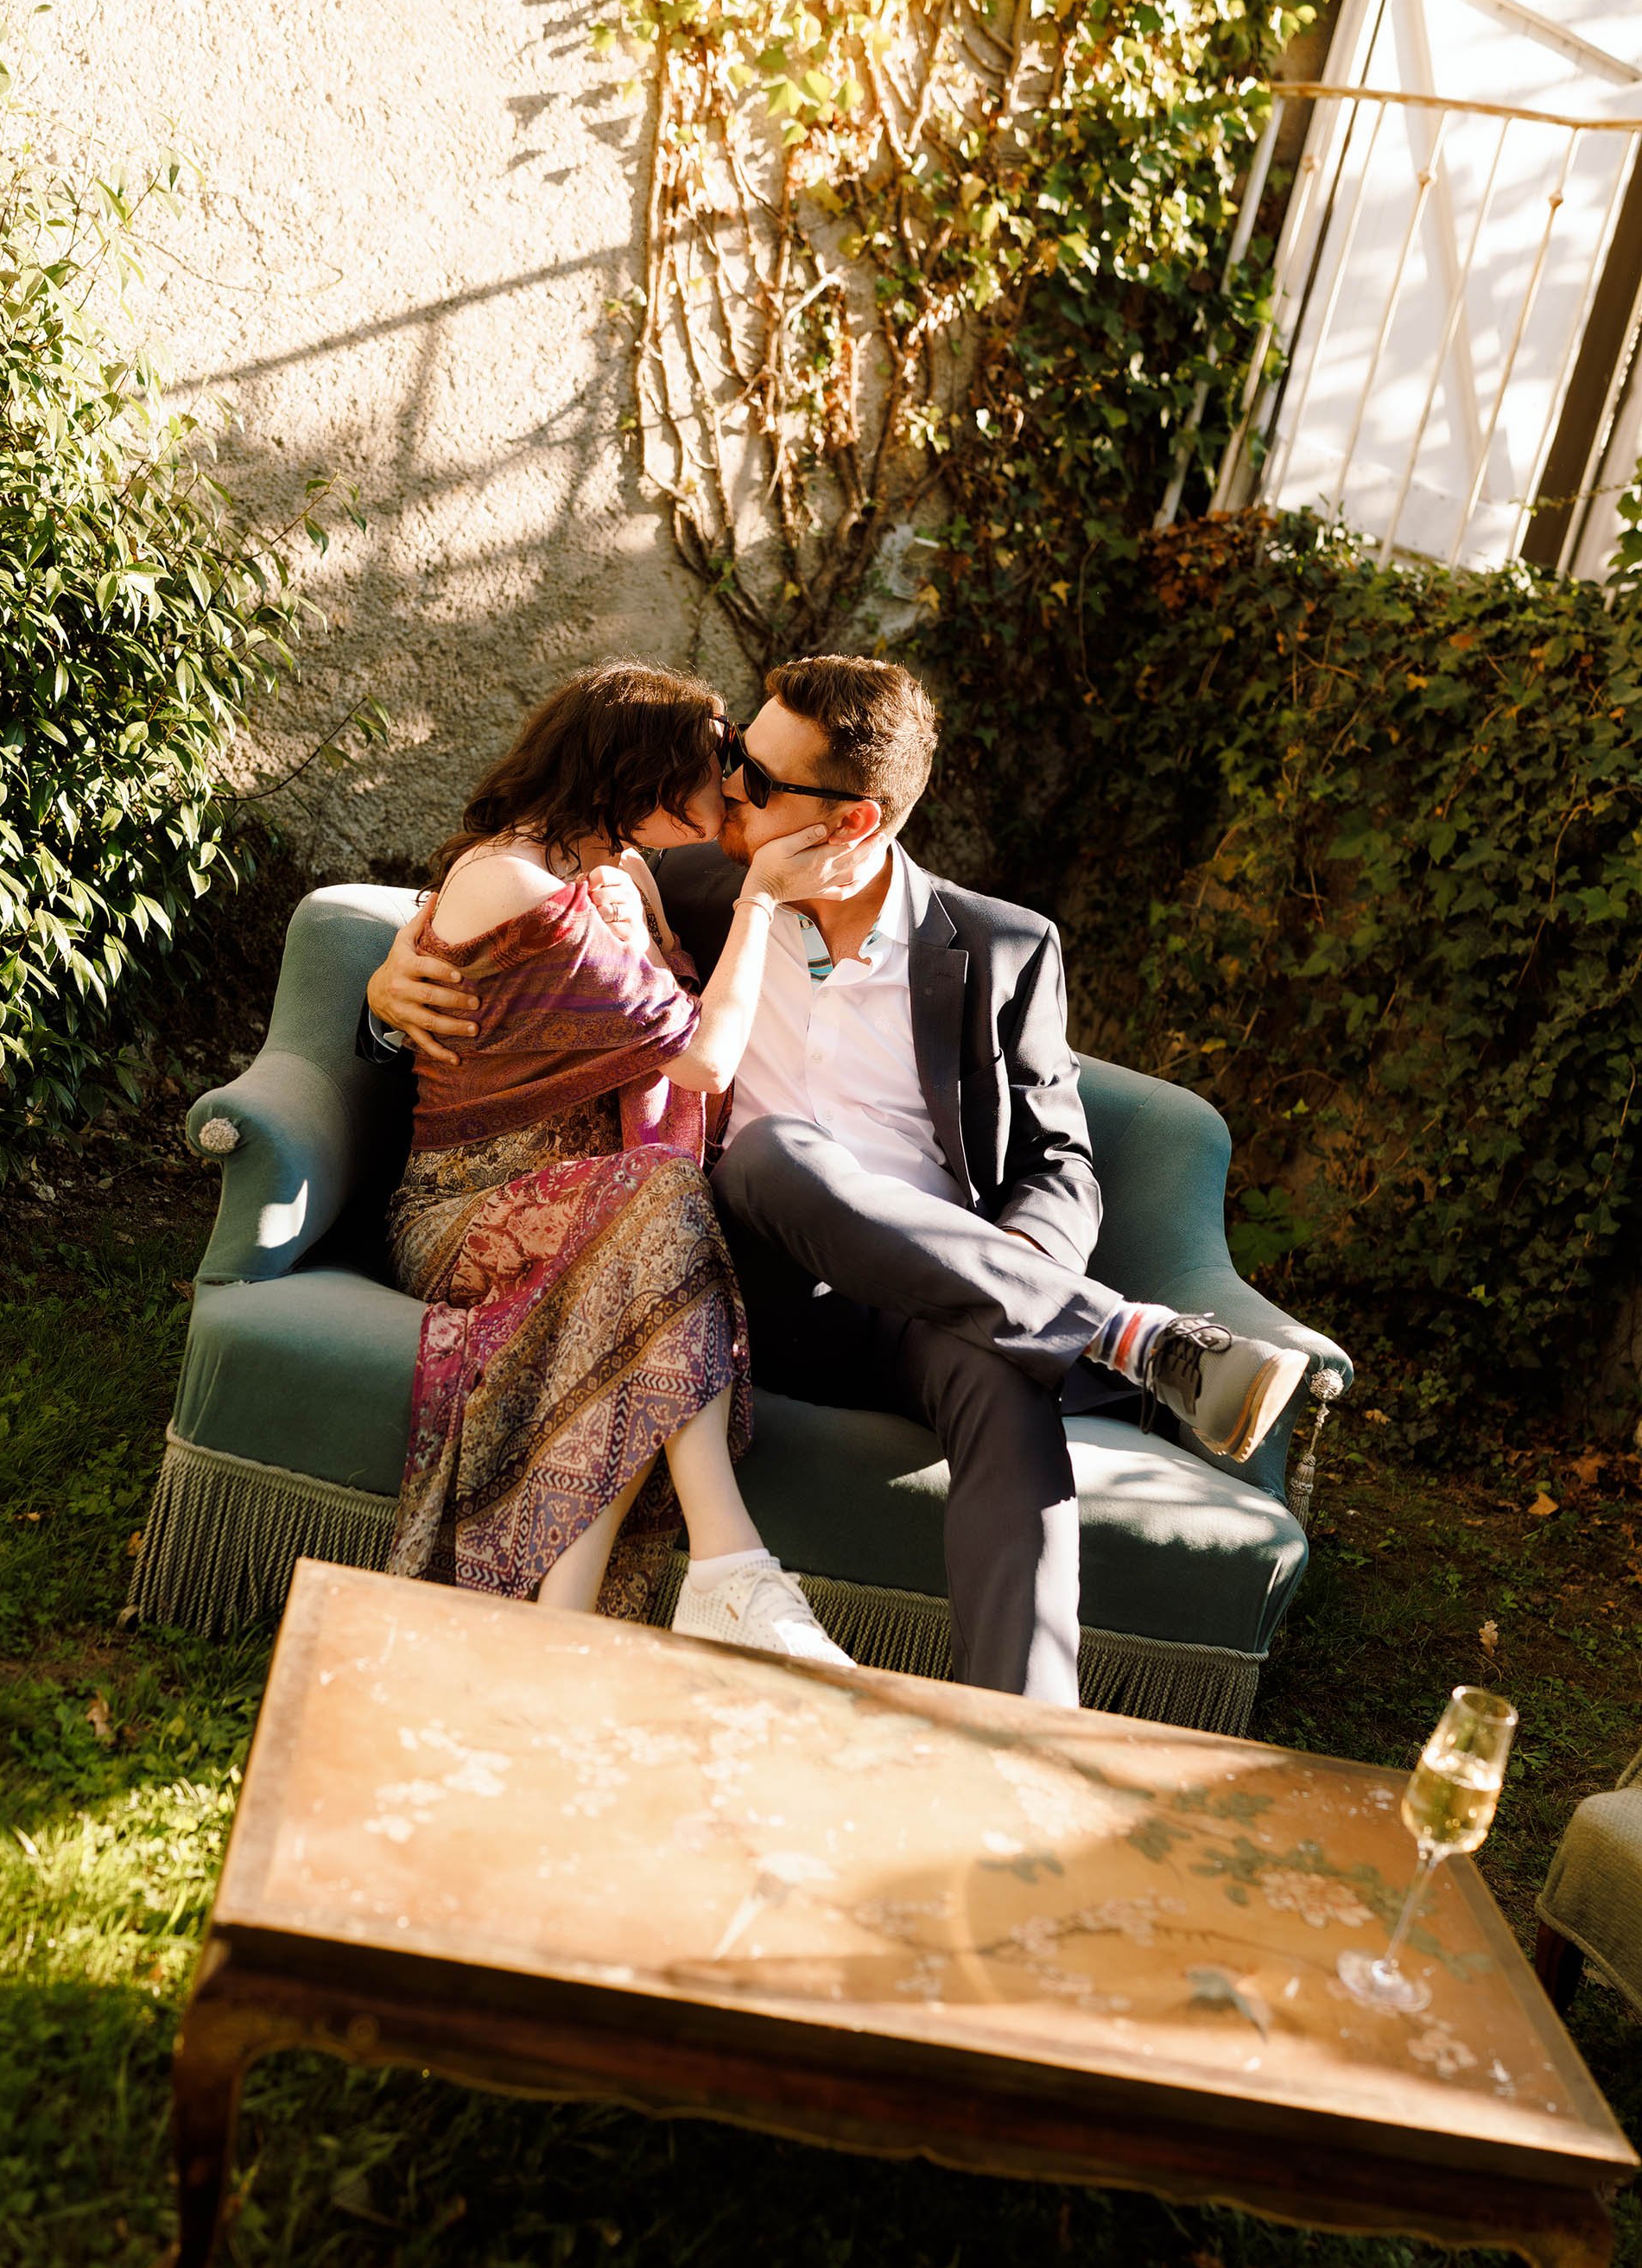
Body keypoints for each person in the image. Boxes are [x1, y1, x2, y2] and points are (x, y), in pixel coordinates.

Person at [366, 653, 1308, 1706]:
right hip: (737, 1278)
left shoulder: (999, 948)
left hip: (927, 1299)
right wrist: (381, 996)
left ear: (852, 822)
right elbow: (497, 955)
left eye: (756, 784)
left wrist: (1003, 1280)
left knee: (1005, 1384)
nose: (726, 791)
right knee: (775, 1152)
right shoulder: (693, 884)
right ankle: (1125, 1336)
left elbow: (1057, 1163)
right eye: (732, 765)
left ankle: (1027, 1740)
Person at [375, 658, 861, 1665]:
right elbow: (701, 1056)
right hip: (468, 1208)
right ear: (638, 772)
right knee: (657, 1203)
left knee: (637, 1288)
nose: (732, 789)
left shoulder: (621, 874)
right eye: (713, 766)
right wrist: (761, 901)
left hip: (597, 1207)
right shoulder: (515, 881)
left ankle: (556, 1632)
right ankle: (730, 1565)